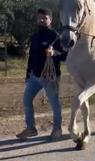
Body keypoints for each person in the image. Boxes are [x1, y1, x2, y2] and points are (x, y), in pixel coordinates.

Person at [16, 8, 68, 140]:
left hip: (50, 77)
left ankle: (57, 129)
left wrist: (54, 53)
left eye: (45, 18)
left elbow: (65, 56)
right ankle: (31, 129)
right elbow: (31, 58)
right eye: (40, 17)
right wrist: (28, 74)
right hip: (34, 77)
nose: (42, 20)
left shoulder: (55, 36)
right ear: (37, 19)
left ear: (50, 20)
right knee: (27, 100)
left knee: (54, 104)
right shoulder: (34, 37)